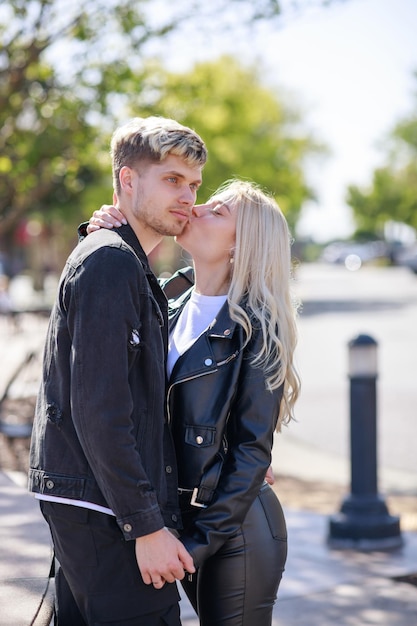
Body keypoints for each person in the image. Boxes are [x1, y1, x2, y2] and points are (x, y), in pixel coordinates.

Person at [88, 178, 301, 625]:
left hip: (236, 530)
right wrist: (107, 231)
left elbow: (251, 454)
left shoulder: (257, 328)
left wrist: (193, 547)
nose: (196, 206)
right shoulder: (164, 300)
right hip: (174, 521)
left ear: (242, 245)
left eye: (219, 211)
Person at [28, 116, 208, 626]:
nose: (188, 197)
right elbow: (100, 409)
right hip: (106, 512)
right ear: (128, 180)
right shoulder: (110, 261)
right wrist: (145, 527)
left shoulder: (122, 258)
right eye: (173, 180)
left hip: (98, 505)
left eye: (193, 185)